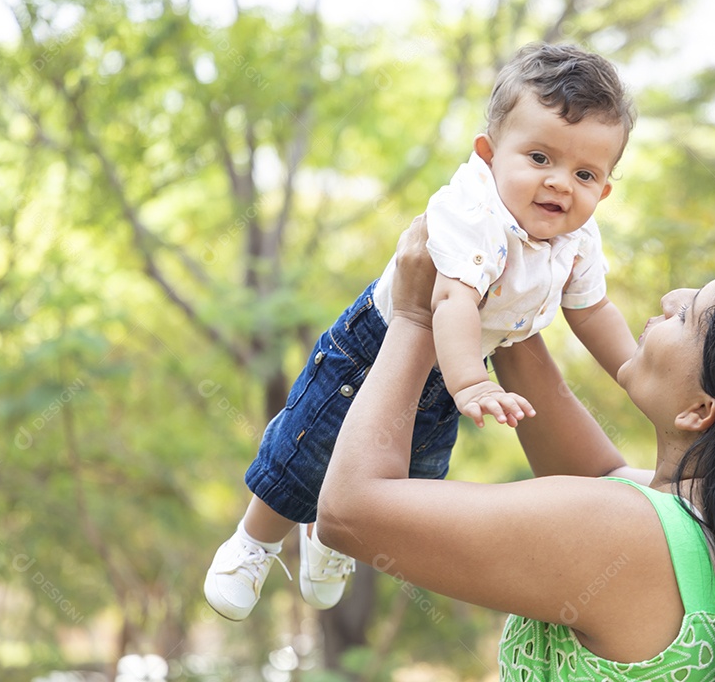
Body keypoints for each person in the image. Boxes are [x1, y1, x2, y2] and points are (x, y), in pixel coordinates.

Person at [316, 218, 715, 681]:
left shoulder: (623, 533)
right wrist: (511, 280)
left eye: (690, 314)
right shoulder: (707, 540)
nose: (672, 295)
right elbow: (596, 469)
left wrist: (421, 315)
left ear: (701, 411)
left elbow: (350, 512)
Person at [204, 42, 638, 621]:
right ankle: (252, 543)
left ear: (604, 188)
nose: (561, 183)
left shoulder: (578, 238)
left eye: (584, 173)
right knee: (309, 447)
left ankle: (326, 537)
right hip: (378, 346)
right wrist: (470, 385)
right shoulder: (473, 209)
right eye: (538, 158)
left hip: (456, 371)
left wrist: (634, 371)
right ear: (488, 156)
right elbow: (453, 297)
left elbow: (593, 310)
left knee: (410, 477)